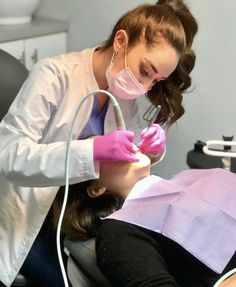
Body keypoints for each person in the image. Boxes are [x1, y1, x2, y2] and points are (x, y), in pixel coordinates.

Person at [0, 0, 198, 286]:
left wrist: (150, 150)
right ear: (121, 41)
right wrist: (91, 151)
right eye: (145, 70)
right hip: (29, 216)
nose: (145, 87)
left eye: (156, 81)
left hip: (82, 214)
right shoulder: (54, 76)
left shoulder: (123, 89)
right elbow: (8, 155)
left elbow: (123, 155)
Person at [54, 151, 236, 287]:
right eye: (106, 150)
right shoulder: (119, 232)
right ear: (96, 189)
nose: (122, 144)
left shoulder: (185, 182)